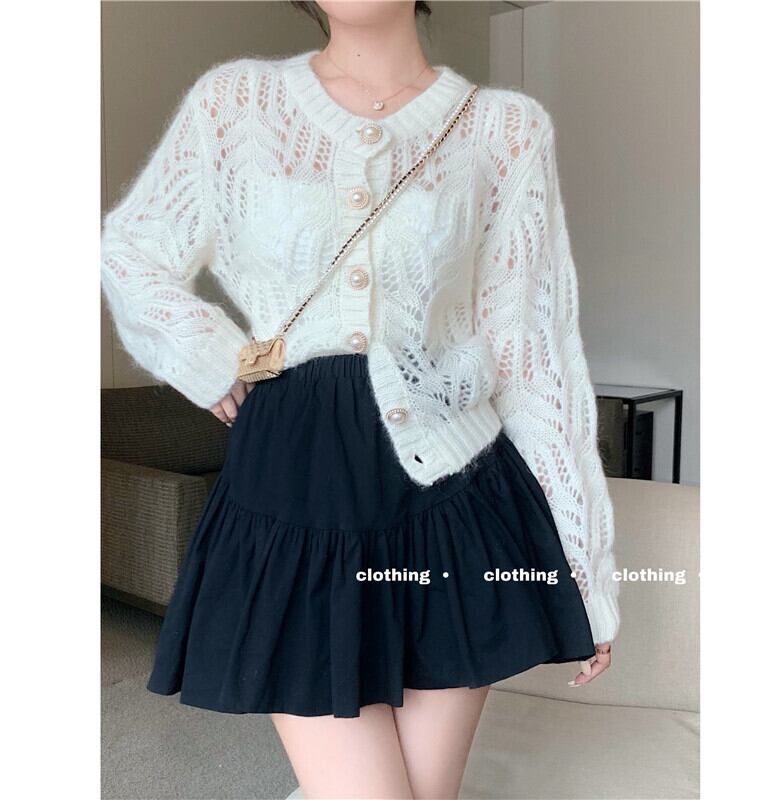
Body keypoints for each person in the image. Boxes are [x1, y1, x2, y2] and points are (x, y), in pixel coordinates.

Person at [100, 2, 619, 797]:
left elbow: (531, 350)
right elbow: (130, 249)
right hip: (294, 492)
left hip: (458, 496)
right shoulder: (235, 106)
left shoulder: (505, 130)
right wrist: (209, 355)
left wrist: (584, 563)